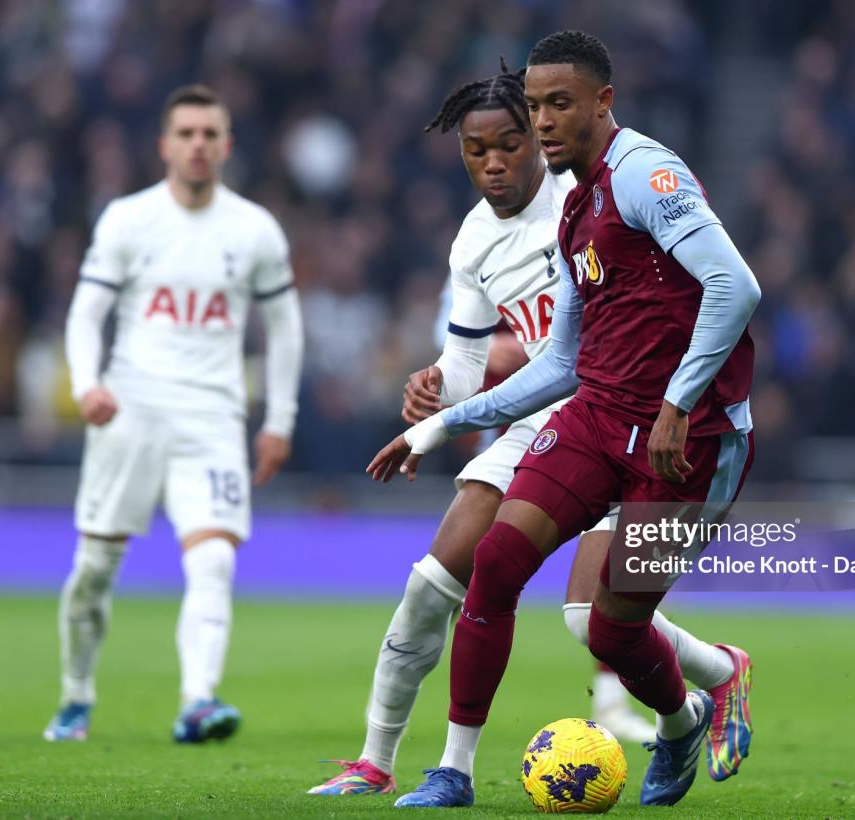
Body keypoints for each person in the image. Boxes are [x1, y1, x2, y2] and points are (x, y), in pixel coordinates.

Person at [312, 63, 739, 797]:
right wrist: (437, 390)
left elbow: (688, 294)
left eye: (511, 142)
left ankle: (710, 683)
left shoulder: (591, 191)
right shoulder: (473, 242)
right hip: (542, 420)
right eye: (477, 151)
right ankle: (383, 763)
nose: (496, 162)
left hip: (628, 412)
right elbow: (474, 358)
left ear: (541, 135)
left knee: (590, 618)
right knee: (438, 582)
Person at [43, 84, 304, 744]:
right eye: (186, 133)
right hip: (130, 412)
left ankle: (197, 701)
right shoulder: (128, 220)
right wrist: (87, 383)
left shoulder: (253, 229)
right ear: (165, 144)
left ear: (226, 146)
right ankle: (76, 696)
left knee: (213, 562)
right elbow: (88, 311)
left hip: (213, 418)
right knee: (94, 571)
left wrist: (279, 419)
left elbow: (285, 327)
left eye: (209, 134)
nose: (197, 145)